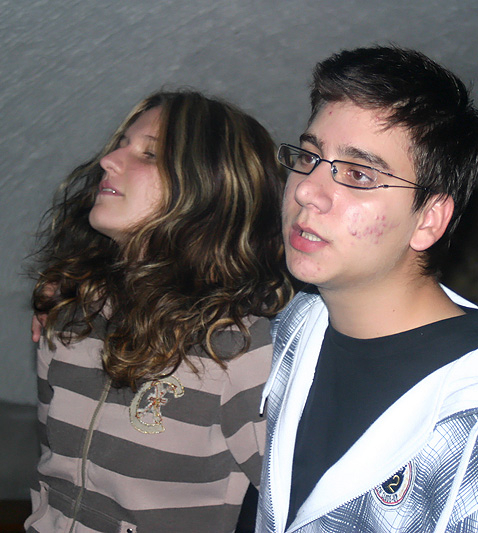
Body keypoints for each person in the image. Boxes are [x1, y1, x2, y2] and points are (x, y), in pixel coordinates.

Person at [255, 45, 478, 532]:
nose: (305, 190)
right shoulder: (294, 330)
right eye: (309, 156)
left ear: (428, 219)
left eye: (358, 174)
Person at [24, 90, 293, 532]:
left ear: (210, 190)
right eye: (120, 145)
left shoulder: (237, 348)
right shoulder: (70, 314)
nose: (109, 160)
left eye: (148, 154)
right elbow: (52, 478)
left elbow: (305, 509)